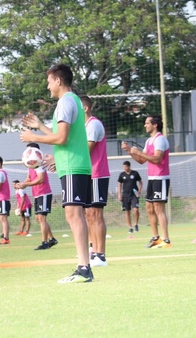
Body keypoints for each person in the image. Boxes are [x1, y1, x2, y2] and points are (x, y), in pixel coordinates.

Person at [20, 64, 93, 283]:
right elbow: (65, 138)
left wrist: (33, 137)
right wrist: (42, 129)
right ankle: (83, 266)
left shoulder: (65, 102)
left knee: (74, 215)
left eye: (49, 81)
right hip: (72, 163)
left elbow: (60, 138)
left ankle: (84, 268)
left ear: (58, 81)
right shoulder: (74, 101)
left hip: (73, 165)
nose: (48, 85)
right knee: (75, 215)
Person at [122, 115, 171, 248]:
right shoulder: (149, 141)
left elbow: (156, 159)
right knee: (149, 208)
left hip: (161, 178)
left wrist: (138, 152)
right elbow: (142, 160)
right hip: (152, 178)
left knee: (158, 209)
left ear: (155, 125)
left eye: (147, 123)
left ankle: (166, 240)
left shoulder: (160, 139)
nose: (145, 125)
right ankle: (156, 238)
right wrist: (130, 152)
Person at [81, 95, 110, 267]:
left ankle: (101, 255)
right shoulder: (83, 127)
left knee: (96, 214)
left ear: (85, 108)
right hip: (87, 174)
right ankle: (93, 251)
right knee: (88, 214)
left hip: (97, 174)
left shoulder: (93, 124)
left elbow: (86, 150)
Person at [19, 143, 57, 250]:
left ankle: (44, 242)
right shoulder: (30, 165)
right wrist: (22, 184)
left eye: (29, 150)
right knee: (39, 218)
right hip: (37, 194)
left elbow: (41, 179)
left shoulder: (39, 163)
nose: (27, 153)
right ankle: (52, 239)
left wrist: (26, 184)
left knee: (41, 218)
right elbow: (29, 178)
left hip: (43, 193)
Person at [117, 161, 142, 233]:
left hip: (134, 195)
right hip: (125, 196)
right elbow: (119, 184)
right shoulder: (122, 175)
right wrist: (119, 194)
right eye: (123, 167)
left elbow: (140, 183)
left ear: (129, 166)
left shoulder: (135, 173)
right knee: (127, 211)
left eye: (126, 167)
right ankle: (130, 227)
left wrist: (139, 192)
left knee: (136, 210)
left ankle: (136, 224)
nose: (124, 168)